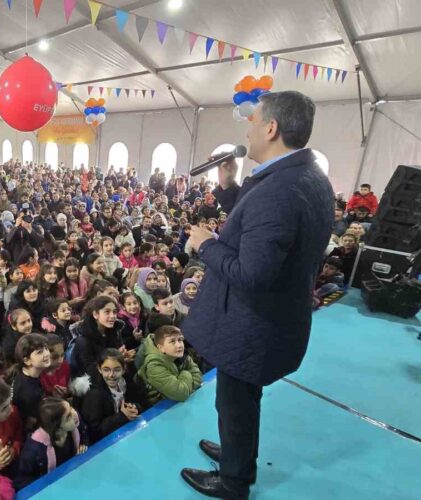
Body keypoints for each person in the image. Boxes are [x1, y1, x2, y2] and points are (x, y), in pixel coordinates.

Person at [180, 91, 333, 498]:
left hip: (253, 324)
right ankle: (237, 452)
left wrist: (204, 244)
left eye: (253, 119)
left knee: (234, 402)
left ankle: (233, 479)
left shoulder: (278, 190)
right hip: (276, 317)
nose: (246, 127)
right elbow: (259, 226)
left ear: (271, 128)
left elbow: (252, 271)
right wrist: (228, 187)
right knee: (241, 401)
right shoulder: (307, 176)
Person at [14, 397, 86, 490]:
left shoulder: (75, 421)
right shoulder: (33, 451)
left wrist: (83, 443)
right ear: (56, 428)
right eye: (68, 417)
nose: (74, 414)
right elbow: (21, 481)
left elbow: (84, 432)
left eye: (71, 407)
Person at [136, 326, 202, 405]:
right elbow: (181, 394)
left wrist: (185, 387)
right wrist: (186, 373)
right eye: (172, 342)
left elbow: (198, 375)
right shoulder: (153, 366)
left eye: (180, 340)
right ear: (161, 348)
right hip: (159, 408)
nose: (179, 345)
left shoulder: (177, 353)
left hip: (177, 400)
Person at [10, 334, 51, 431]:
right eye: (39, 352)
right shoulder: (27, 392)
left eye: (46, 348)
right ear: (27, 361)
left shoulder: (32, 375)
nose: (47, 354)